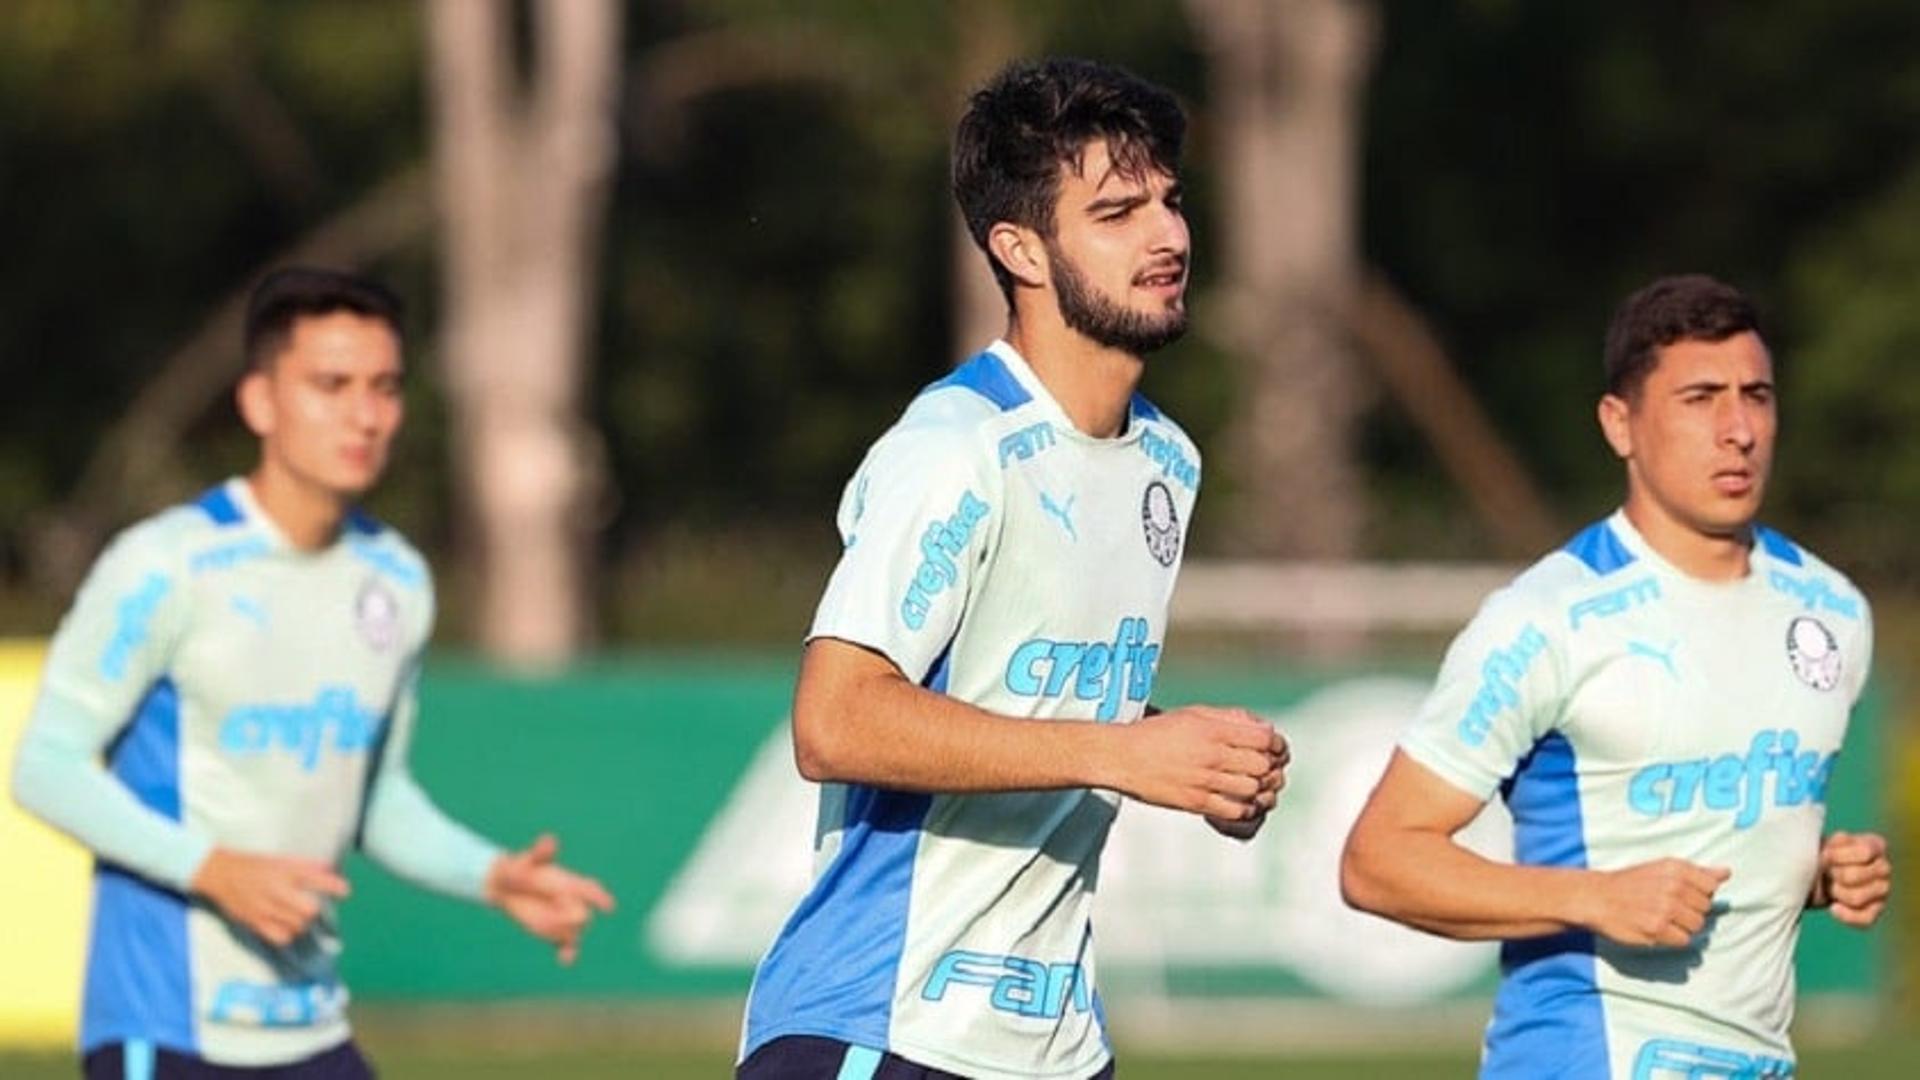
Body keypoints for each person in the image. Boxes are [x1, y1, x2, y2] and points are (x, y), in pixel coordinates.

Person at [735, 58, 1289, 1080]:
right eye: (1118, 212)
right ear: (1019, 250)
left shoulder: (1168, 459)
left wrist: (1180, 754)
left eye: (1171, 201)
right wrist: (1119, 755)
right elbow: (836, 718)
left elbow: (1025, 696)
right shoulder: (957, 447)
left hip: (1058, 1048)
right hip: (884, 1031)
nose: (1168, 236)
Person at [10, 267, 615, 1079]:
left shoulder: (396, 580)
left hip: (310, 1024)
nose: (365, 415)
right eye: (332, 385)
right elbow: (45, 767)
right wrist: (214, 870)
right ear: (260, 401)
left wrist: (491, 876)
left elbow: (376, 798)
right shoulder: (166, 565)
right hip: (168, 1025)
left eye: (385, 387)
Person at [1340, 274, 1893, 1078]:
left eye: (1757, 395)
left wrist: (1811, 874)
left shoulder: (1832, 612)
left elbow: (1704, 842)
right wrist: (1592, 898)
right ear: (1620, 424)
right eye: (1700, 398)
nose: (1737, 429)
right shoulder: (1546, 620)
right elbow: (1378, 860)